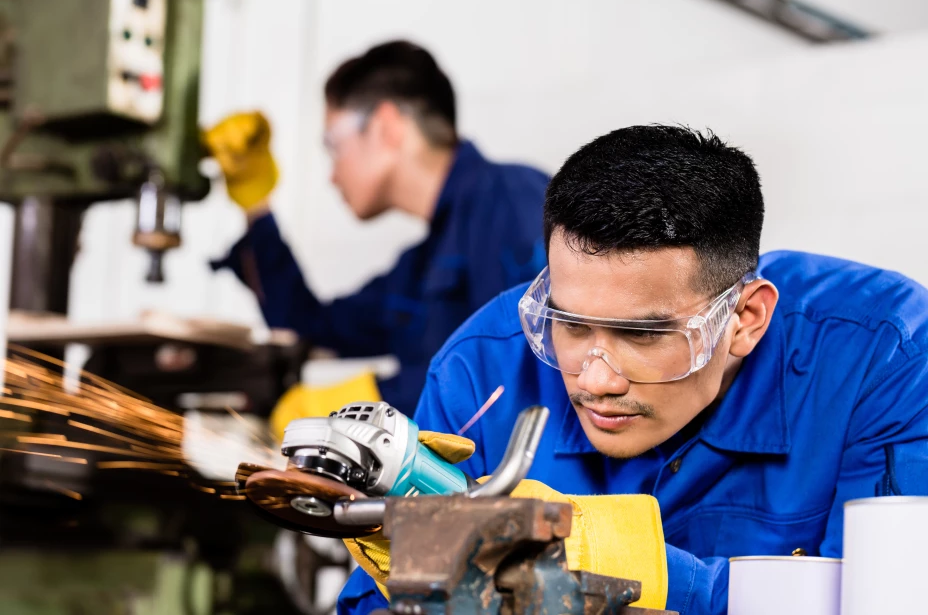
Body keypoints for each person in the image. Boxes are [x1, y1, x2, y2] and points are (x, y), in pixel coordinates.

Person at [336, 125, 928, 614]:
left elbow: (886, 602)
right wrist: (413, 585)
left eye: (643, 335)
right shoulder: (481, 367)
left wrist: (634, 566)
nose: (595, 381)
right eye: (570, 324)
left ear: (745, 319)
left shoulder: (883, 357)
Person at [206, 40, 548, 413]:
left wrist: (378, 399)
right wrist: (257, 205)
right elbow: (308, 327)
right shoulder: (419, 270)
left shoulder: (514, 202)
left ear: (386, 127)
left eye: (333, 145)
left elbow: (525, 366)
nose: (333, 175)